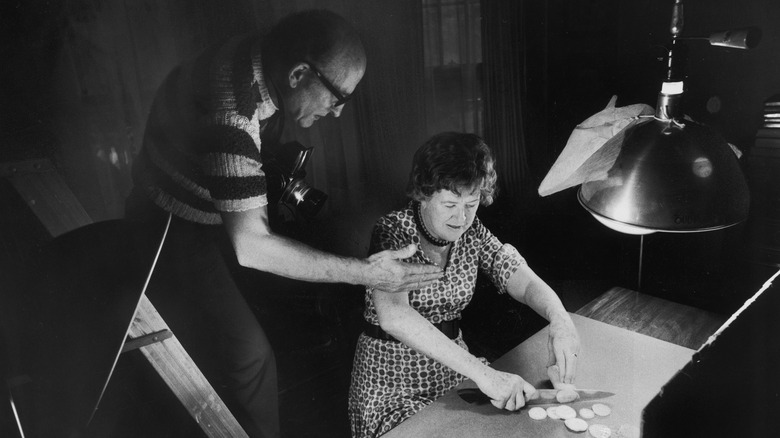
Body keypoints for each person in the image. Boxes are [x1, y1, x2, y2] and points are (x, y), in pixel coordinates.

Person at [125, 9, 442, 438]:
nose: (337, 114)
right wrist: (369, 274)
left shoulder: (262, 54)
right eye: (337, 98)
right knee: (250, 357)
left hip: (208, 213)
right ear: (298, 75)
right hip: (169, 225)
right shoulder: (233, 111)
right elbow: (252, 247)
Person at [348, 132, 581, 437]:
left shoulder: (472, 233)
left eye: (471, 204)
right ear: (423, 193)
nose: (461, 218)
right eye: (449, 205)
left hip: (453, 373)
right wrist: (486, 375)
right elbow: (394, 316)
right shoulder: (392, 230)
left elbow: (520, 279)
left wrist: (560, 318)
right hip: (392, 384)